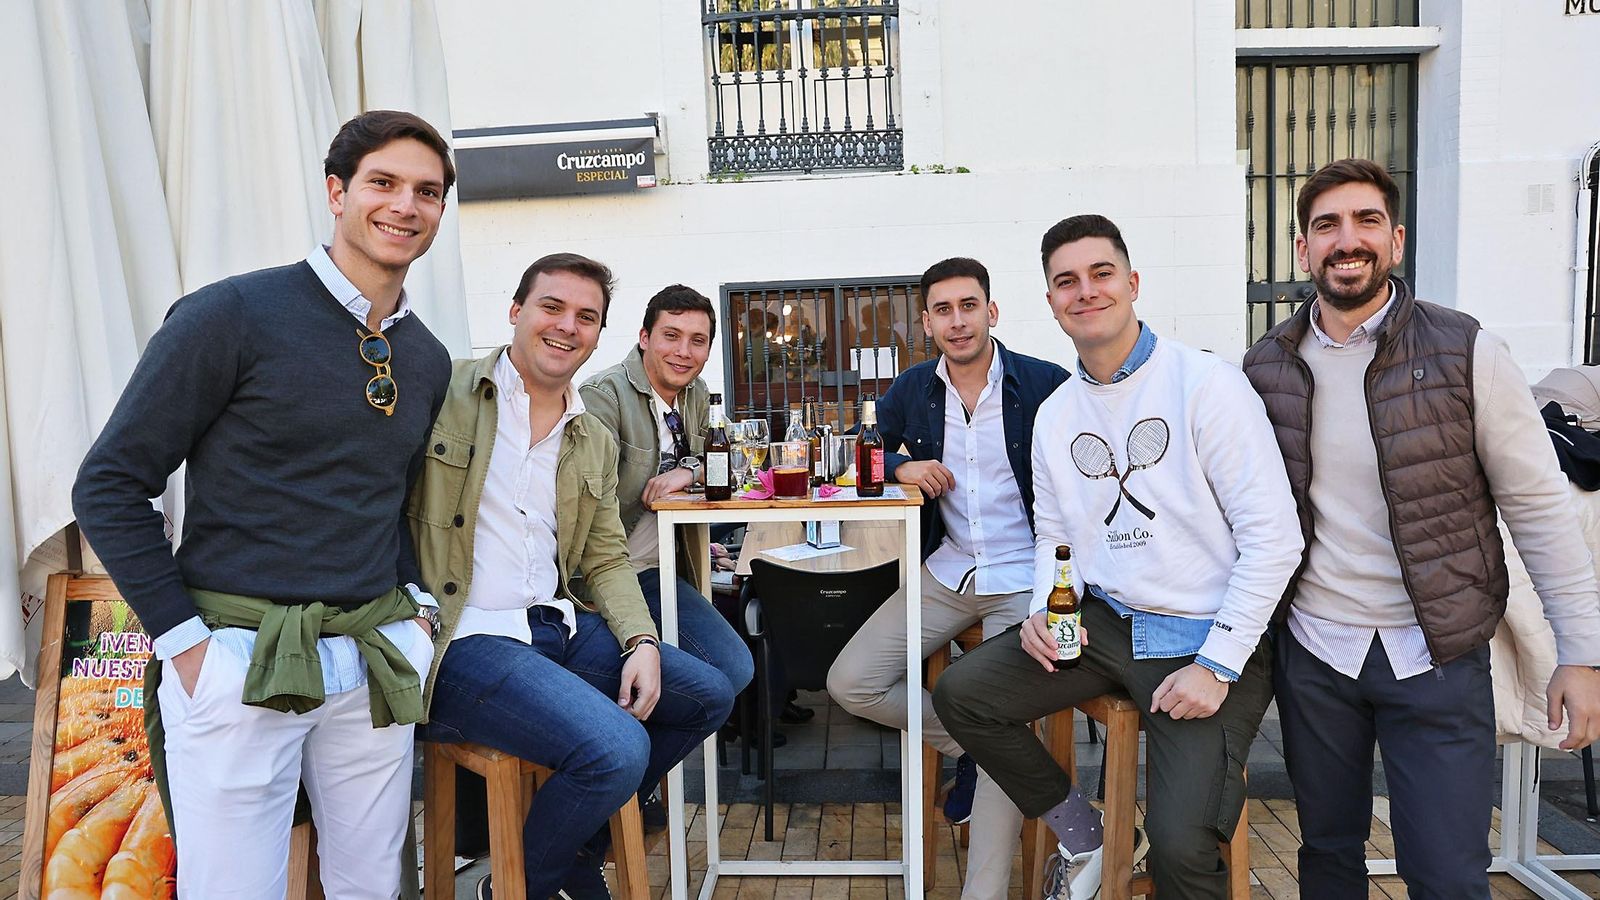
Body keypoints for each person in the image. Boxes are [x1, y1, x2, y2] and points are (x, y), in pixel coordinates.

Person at [72, 110, 454, 898]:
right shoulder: (232, 314)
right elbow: (109, 482)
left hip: (374, 657)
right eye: (382, 182)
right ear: (336, 190)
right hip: (238, 653)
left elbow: (397, 498)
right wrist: (185, 645)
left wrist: (415, 611)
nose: (404, 206)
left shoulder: (424, 356)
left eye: (427, 191)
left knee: (371, 887)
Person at [1241, 158, 1600, 899]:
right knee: (1328, 858)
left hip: (1436, 653)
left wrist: (1583, 654)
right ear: (1303, 248)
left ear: (1396, 241)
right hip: (1317, 655)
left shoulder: (1467, 351)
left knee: (1446, 873)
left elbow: (1538, 508)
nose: (1348, 240)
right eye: (1326, 225)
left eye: (1367, 221)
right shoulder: (1265, 368)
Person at [932, 216, 1303, 900]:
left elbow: (1276, 539)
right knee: (965, 694)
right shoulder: (1058, 413)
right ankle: (1086, 835)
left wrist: (1217, 664)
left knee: (1183, 852)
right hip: (1105, 624)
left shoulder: (1206, 385)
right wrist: (1046, 608)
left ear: (1131, 283)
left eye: (1101, 274)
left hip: (1201, 637)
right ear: (1050, 303)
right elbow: (1054, 536)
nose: (1085, 291)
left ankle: (1154, 838)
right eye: (1066, 281)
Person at [410, 253, 734, 900]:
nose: (567, 327)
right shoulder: (445, 394)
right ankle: (523, 884)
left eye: (586, 317)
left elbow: (607, 558)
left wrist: (641, 642)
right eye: (551, 308)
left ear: (600, 333)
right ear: (516, 312)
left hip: (553, 626)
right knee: (617, 750)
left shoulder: (591, 437)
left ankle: (561, 851)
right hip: (464, 640)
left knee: (706, 693)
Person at [826, 257, 1068, 898]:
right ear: (926, 321)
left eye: (968, 306)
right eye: (942, 309)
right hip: (948, 571)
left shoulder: (1046, 384)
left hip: (1028, 579)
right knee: (851, 681)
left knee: (1000, 717)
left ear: (992, 312)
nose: (957, 321)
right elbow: (864, 451)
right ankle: (974, 740)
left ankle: (981, 892)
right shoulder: (911, 391)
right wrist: (902, 465)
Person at [579, 283, 755, 708]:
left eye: (697, 341)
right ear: (644, 338)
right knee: (729, 668)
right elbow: (584, 507)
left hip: (678, 560)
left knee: (738, 664)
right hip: (616, 571)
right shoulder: (602, 396)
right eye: (671, 336)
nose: (683, 351)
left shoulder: (696, 393)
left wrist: (689, 470)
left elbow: (740, 459)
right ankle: (636, 737)